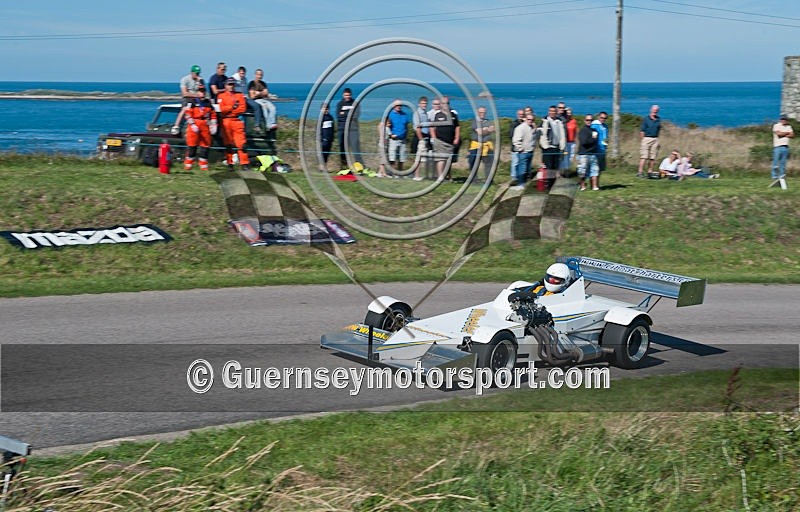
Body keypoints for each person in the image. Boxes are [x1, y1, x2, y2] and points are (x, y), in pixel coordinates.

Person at [216, 78, 251, 171]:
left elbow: (242, 108)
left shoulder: (239, 95)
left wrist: (231, 111)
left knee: (242, 144)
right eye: (229, 84)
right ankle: (230, 164)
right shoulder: (221, 96)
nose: (231, 86)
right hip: (226, 122)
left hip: (237, 121)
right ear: (225, 85)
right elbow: (221, 109)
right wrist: (232, 107)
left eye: (232, 84)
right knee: (228, 144)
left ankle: (244, 164)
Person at [181, 84, 217, 172]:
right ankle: (188, 166)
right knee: (192, 146)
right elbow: (188, 114)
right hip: (195, 124)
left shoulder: (208, 103)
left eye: (203, 91)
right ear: (197, 92)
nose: (202, 93)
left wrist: (214, 125)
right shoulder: (192, 102)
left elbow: (213, 115)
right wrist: (192, 124)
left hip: (205, 124)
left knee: (205, 146)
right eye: (200, 91)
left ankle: (203, 166)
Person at [430, 96, 460, 180]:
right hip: (440, 141)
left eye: (447, 103)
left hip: (450, 141)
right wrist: (434, 138)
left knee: (448, 160)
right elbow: (432, 127)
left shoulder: (453, 114)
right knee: (440, 159)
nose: (445, 105)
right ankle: (440, 177)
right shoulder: (437, 115)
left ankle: (448, 176)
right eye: (443, 103)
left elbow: (457, 126)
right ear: (441, 105)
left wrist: (457, 137)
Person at [336, 88, 363, 170]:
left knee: (355, 148)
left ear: (351, 95)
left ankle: (359, 167)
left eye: (348, 95)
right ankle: (344, 167)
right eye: (346, 95)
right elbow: (338, 116)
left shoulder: (355, 103)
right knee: (342, 148)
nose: (347, 96)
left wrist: (344, 113)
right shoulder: (340, 104)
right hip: (342, 129)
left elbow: (356, 115)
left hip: (353, 129)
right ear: (343, 95)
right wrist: (350, 114)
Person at [468, 106, 495, 182]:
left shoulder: (488, 121)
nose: (482, 114)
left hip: (487, 145)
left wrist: (484, 130)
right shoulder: (474, 121)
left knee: (488, 163)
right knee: (474, 163)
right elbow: (480, 133)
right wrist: (487, 130)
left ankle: (488, 180)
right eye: (481, 112)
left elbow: (493, 129)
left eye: (484, 112)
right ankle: (474, 179)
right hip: (476, 145)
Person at [248, 68, 278, 132]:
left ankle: (272, 123)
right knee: (264, 108)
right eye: (258, 74)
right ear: (255, 75)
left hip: (263, 99)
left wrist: (258, 93)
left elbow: (266, 93)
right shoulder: (251, 84)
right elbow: (252, 96)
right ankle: (268, 125)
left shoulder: (263, 84)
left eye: (261, 75)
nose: (259, 76)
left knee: (273, 108)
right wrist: (261, 93)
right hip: (256, 100)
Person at [576, 114, 600, 191]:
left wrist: (594, 140)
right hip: (584, 154)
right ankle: (582, 186)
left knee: (595, 170)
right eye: (587, 120)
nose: (589, 121)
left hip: (593, 154)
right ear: (584, 121)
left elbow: (596, 141)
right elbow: (584, 142)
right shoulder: (583, 130)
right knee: (582, 171)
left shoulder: (594, 130)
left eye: (591, 120)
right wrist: (593, 139)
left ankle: (594, 186)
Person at [511, 114, 536, 186]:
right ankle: (520, 184)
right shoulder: (520, 128)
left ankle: (524, 183)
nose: (530, 121)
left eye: (532, 120)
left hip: (530, 151)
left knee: (527, 169)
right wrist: (520, 148)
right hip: (523, 152)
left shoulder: (531, 127)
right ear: (525, 119)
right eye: (529, 119)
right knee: (522, 169)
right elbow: (515, 140)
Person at [638, 104, 661, 178]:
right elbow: (642, 131)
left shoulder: (658, 119)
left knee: (653, 157)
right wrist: (643, 140)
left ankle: (650, 171)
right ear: (651, 110)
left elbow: (658, 130)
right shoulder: (646, 119)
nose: (655, 111)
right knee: (644, 156)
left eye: (656, 110)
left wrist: (657, 140)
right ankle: (640, 172)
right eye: (654, 110)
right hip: (646, 138)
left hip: (655, 139)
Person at [539, 105, 566, 170]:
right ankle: (548, 180)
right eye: (550, 111)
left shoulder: (559, 121)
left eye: (554, 111)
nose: (552, 113)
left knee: (556, 167)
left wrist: (562, 147)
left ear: (556, 112)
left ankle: (553, 179)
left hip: (557, 148)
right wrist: (544, 146)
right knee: (548, 167)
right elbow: (540, 134)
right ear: (548, 112)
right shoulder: (544, 121)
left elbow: (562, 135)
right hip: (548, 148)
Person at [387, 99, 410, 174]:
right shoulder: (390, 114)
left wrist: (406, 137)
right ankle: (392, 173)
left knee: (401, 158)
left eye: (400, 105)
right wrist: (390, 135)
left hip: (403, 140)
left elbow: (406, 126)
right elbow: (385, 126)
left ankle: (399, 174)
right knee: (392, 157)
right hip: (393, 140)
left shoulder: (405, 115)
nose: (398, 106)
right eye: (397, 105)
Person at [412, 96, 431, 180]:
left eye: (425, 103)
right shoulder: (417, 113)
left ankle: (420, 175)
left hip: (426, 136)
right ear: (419, 104)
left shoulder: (425, 113)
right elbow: (418, 128)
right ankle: (416, 175)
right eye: (423, 103)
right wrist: (421, 139)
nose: (424, 105)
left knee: (424, 157)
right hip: (420, 137)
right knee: (418, 157)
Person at [772, 114, 794, 182]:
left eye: (785, 119)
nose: (784, 120)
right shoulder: (776, 125)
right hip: (777, 147)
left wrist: (783, 133)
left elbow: (792, 135)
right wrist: (787, 133)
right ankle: (774, 176)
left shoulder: (789, 126)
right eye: (783, 119)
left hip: (785, 147)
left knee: (783, 163)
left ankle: (782, 177)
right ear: (780, 119)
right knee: (775, 163)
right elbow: (779, 134)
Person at [509, 109, 525, 183]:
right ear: (517, 115)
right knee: (515, 162)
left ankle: (520, 176)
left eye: (522, 114)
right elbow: (511, 135)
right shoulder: (514, 123)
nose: (521, 116)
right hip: (515, 147)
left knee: (521, 162)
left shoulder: (525, 123)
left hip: (523, 147)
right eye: (520, 114)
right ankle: (514, 177)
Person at [561, 107, 578, 171]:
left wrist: (575, 141)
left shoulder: (574, 121)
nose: (569, 114)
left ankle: (567, 171)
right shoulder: (563, 121)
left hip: (572, 142)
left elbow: (575, 132)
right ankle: (563, 171)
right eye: (567, 113)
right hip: (565, 143)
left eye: (570, 113)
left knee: (570, 158)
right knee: (564, 158)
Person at [319, 103, 334, 171]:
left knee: (327, 154)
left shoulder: (330, 117)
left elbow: (332, 128)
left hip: (329, 139)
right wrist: (321, 138)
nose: (325, 110)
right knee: (323, 154)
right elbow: (319, 130)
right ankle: (321, 168)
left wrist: (332, 138)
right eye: (324, 109)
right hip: (323, 139)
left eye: (327, 109)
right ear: (321, 109)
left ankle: (324, 167)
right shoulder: (321, 118)